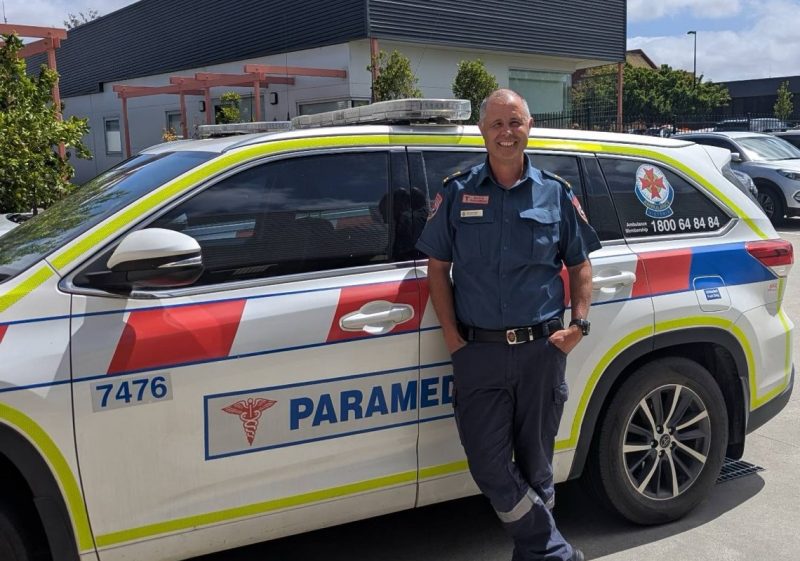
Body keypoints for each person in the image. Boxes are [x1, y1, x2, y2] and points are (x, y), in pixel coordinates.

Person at [415, 89, 600, 561]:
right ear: (481, 130)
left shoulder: (555, 192)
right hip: (479, 353)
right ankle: (556, 553)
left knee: (538, 465)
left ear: (529, 125)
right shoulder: (457, 190)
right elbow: (437, 266)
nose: (506, 132)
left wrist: (578, 325)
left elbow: (580, 264)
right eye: (497, 123)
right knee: (490, 465)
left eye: (514, 122)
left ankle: (536, 555)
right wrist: (454, 339)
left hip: (542, 350)